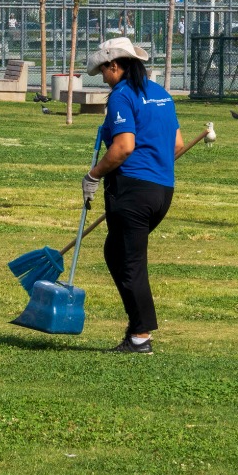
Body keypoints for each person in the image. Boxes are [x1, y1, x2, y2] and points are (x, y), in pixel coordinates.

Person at [82, 37, 205, 355]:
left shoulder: (122, 95)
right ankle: (137, 329)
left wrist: (93, 175)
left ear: (114, 65)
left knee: (130, 261)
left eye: (104, 72)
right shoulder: (161, 94)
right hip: (162, 192)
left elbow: (123, 147)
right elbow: (176, 146)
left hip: (132, 191)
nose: (104, 78)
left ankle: (140, 337)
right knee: (116, 253)